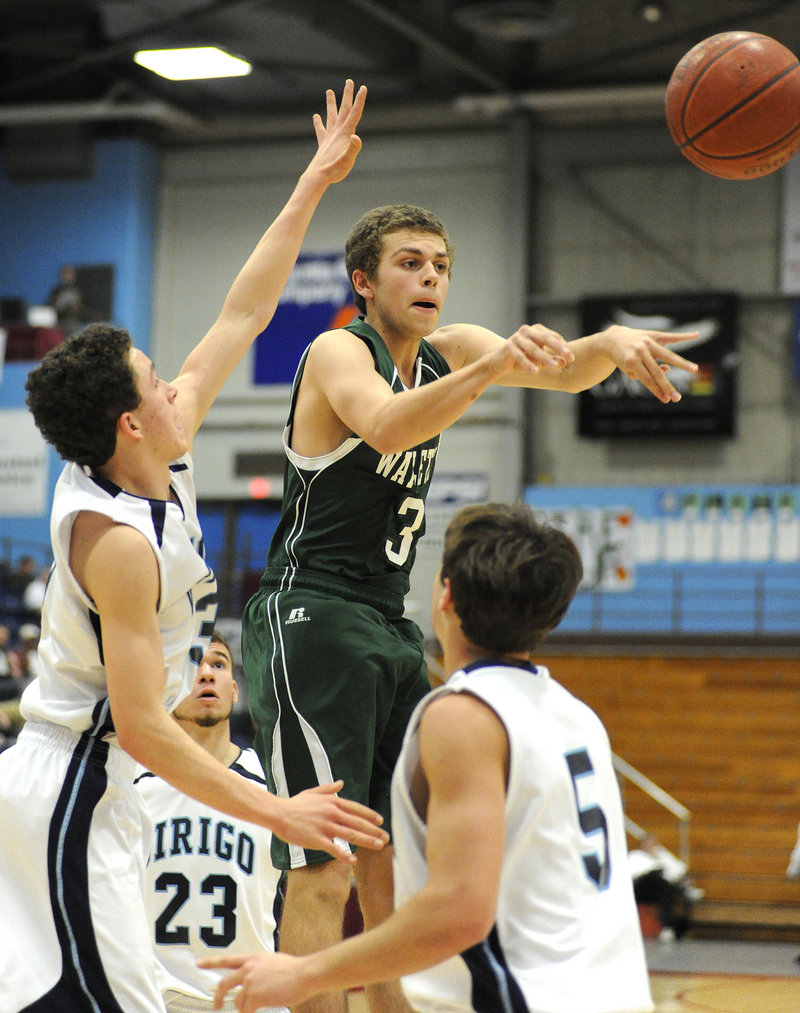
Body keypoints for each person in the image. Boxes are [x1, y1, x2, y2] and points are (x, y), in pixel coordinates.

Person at [241, 202, 699, 1011]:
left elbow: (561, 370)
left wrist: (613, 345)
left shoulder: (450, 350)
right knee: (326, 861)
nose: (430, 278)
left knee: (393, 862)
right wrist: (487, 371)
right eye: (410, 263)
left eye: (441, 265)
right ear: (364, 281)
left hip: (389, 619)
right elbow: (384, 427)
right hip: (310, 612)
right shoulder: (338, 350)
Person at [0, 80, 389, 1013]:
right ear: (132, 424)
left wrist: (313, 180)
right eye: (157, 384)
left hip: (110, 791)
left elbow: (242, 314)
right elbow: (140, 725)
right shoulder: (118, 542)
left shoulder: (148, 460)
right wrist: (276, 809)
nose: (179, 385)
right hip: (71, 782)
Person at [204, 502, 654, 1012]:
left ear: (445, 595)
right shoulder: (579, 717)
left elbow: (460, 911)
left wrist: (303, 974)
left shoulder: (463, 716)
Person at [135, 630, 288, 1013]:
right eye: (192, 664)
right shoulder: (132, 786)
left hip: (252, 998)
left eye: (217, 664)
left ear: (235, 690)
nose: (206, 674)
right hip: (156, 998)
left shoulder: (273, 786)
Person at [628, 833, 701, 941]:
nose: (650, 847)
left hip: (662, 889)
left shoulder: (662, 855)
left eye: (652, 844)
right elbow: (633, 874)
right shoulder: (635, 856)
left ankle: (671, 926)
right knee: (656, 875)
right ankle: (685, 890)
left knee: (668, 888)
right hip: (642, 888)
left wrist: (659, 859)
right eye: (647, 844)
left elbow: (680, 869)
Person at [47, 263, 83, 335]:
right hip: (58, 321)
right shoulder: (56, 290)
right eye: (65, 274)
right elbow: (51, 304)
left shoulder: (77, 289)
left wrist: (73, 307)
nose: (67, 276)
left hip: (72, 322)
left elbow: (79, 306)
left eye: (69, 274)